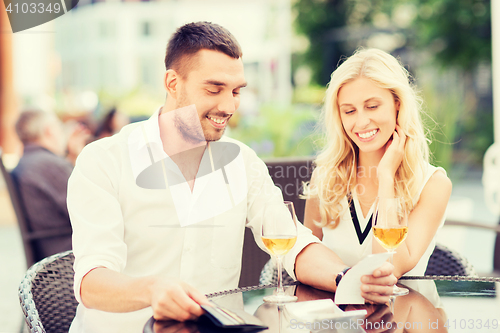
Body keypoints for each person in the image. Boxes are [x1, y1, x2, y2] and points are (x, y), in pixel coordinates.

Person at [67, 23, 397, 333]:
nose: (228, 105)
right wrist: (152, 289)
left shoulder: (242, 162)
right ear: (172, 83)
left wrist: (346, 278)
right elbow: (91, 282)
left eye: (237, 91)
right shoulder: (104, 161)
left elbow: (294, 242)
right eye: (214, 89)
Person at [303, 48, 452, 279]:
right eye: (349, 111)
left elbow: (390, 267)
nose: (361, 122)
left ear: (398, 105)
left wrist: (386, 178)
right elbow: (305, 257)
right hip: (337, 313)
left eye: (372, 106)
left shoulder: (433, 184)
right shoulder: (324, 178)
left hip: (404, 313)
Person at [11, 109, 90, 260]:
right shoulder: (49, 165)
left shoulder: (29, 161)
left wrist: (73, 158)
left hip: (50, 249)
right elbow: (89, 209)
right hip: (68, 254)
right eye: (59, 127)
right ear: (49, 131)